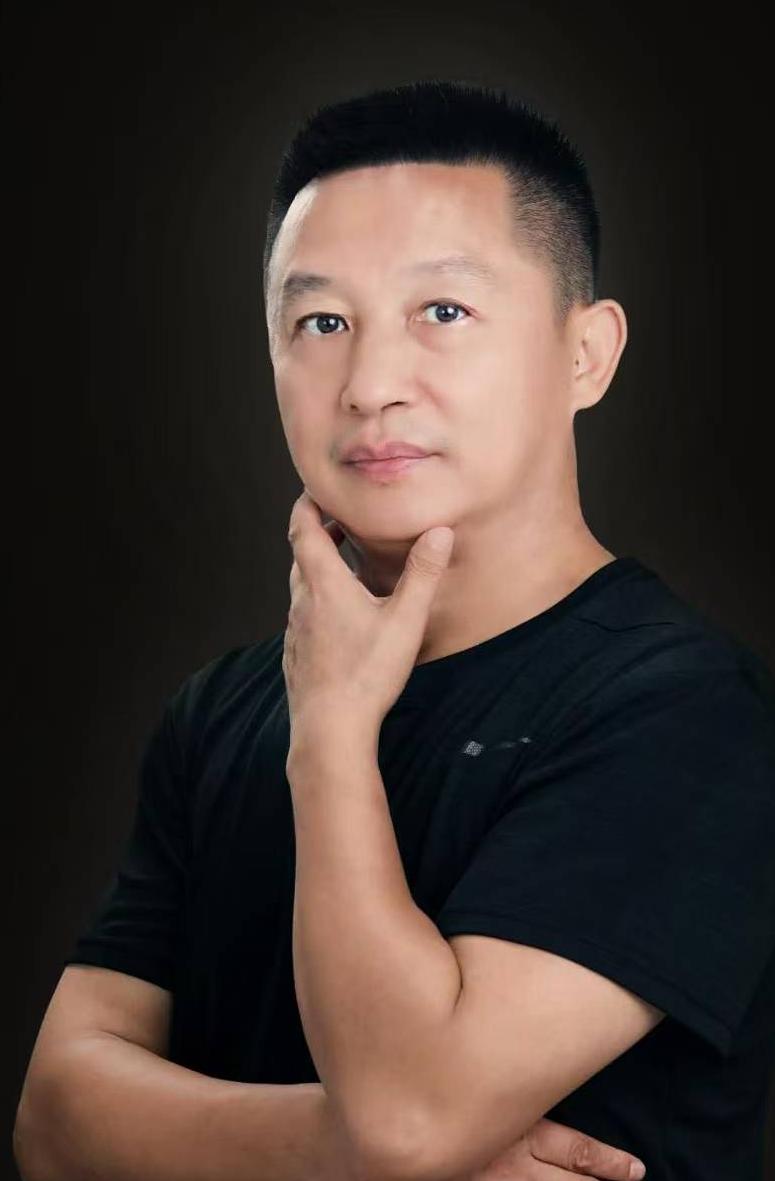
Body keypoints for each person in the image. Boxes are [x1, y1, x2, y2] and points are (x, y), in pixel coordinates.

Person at [15, 78, 775, 1181]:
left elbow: (408, 1116)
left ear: (586, 354)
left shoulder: (685, 711)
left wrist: (330, 736)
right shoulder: (216, 712)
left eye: (443, 312)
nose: (370, 385)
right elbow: (50, 1120)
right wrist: (354, 1153)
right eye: (321, 323)